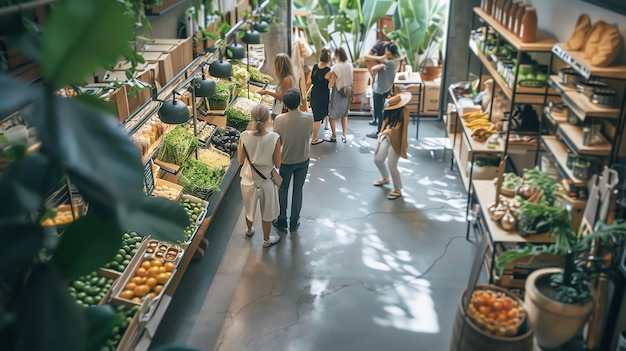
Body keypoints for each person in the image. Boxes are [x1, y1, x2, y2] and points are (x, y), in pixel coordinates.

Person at [238, 104, 282, 248]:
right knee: (267, 211)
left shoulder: (244, 136)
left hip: (248, 179)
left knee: (249, 207)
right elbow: (277, 164)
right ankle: (266, 240)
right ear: (268, 118)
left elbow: (240, 161)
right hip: (267, 180)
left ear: (252, 117)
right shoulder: (275, 138)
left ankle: (249, 230)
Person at [272, 88, 314, 232]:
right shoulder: (309, 118)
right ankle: (294, 221)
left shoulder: (279, 120)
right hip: (303, 159)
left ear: (285, 105)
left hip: (286, 160)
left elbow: (277, 141)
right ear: (299, 102)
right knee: (298, 190)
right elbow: (309, 135)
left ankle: (282, 219)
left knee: (283, 190)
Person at [372, 92, 411, 200]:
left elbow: (399, 130)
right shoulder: (388, 110)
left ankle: (398, 189)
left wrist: (385, 132)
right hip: (386, 136)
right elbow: (385, 123)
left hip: (396, 140)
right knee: (378, 159)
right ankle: (385, 178)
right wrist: (383, 132)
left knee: (392, 165)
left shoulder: (404, 112)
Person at [364, 43, 401, 136]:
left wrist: (381, 59)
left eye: (386, 50)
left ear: (389, 51)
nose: (385, 51)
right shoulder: (397, 61)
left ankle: (379, 131)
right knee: (380, 108)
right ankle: (376, 123)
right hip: (387, 88)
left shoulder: (387, 62)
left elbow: (372, 68)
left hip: (379, 89)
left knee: (379, 110)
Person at [325, 47, 353, 143]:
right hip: (347, 92)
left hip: (337, 93)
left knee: (332, 115)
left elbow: (328, 78)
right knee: (344, 114)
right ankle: (344, 135)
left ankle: (333, 136)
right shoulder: (350, 65)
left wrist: (332, 63)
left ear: (337, 55)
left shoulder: (337, 66)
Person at [258, 53, 296, 120]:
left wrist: (267, 92)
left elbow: (282, 97)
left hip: (281, 111)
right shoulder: (287, 77)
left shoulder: (286, 79)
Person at [308, 47, 332, 145]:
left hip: (314, 92)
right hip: (323, 94)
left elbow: (309, 81)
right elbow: (330, 85)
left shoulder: (315, 67)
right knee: (318, 118)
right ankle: (314, 138)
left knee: (316, 114)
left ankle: (317, 133)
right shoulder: (328, 70)